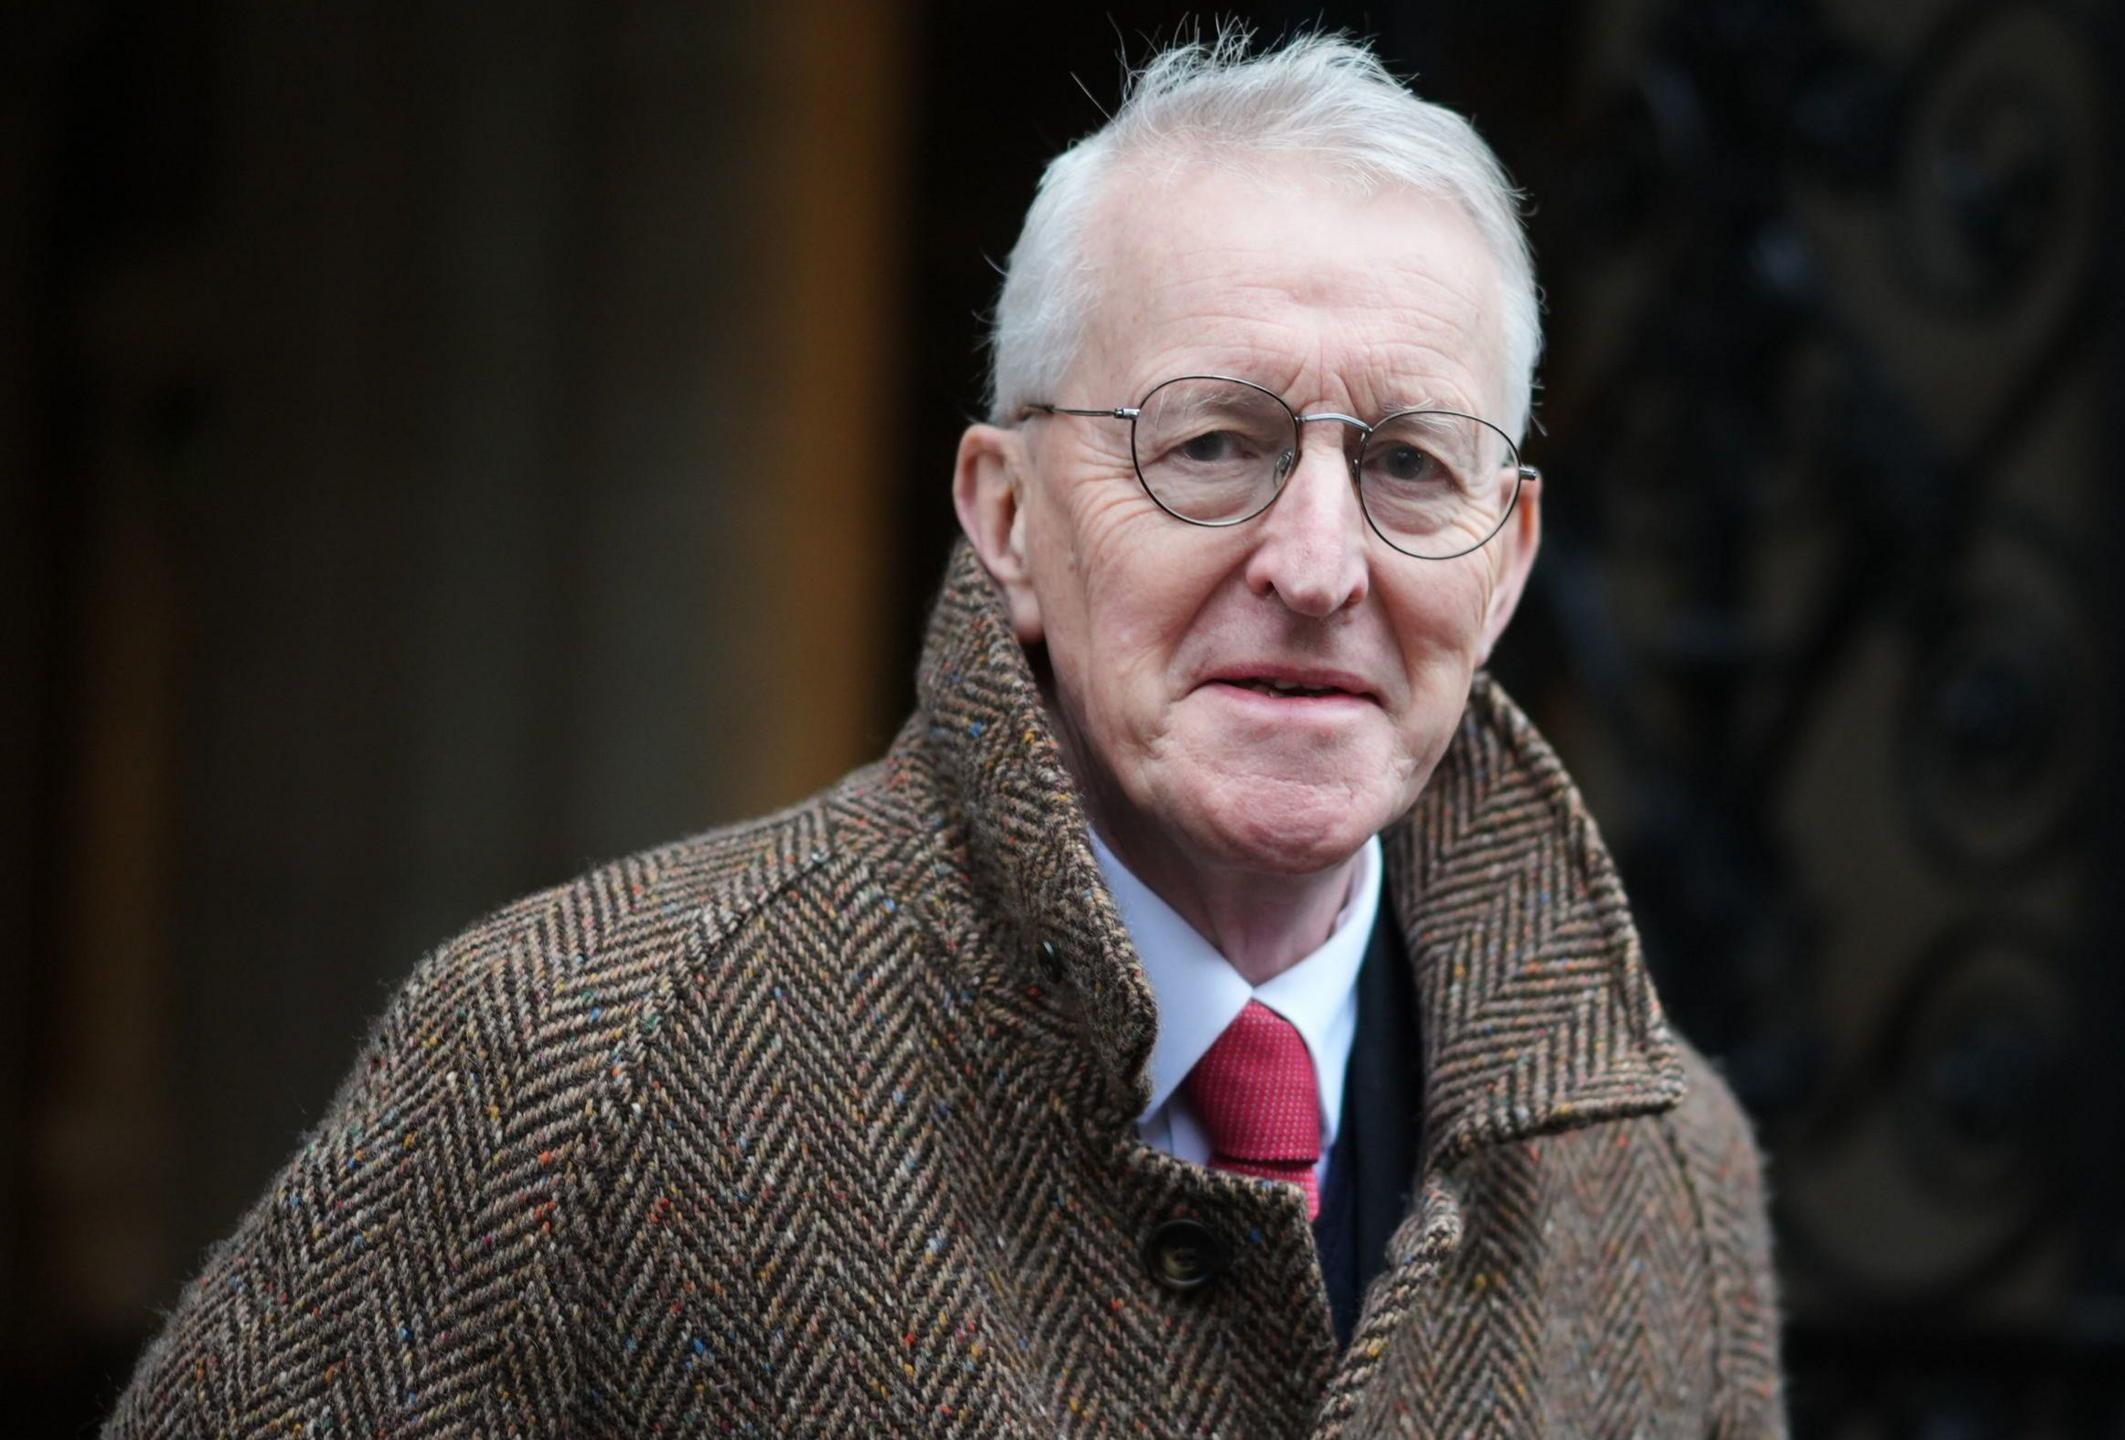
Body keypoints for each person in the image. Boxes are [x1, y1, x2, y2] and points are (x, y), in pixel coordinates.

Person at [108, 32, 1782, 1438]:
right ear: (1007, 514)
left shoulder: (1659, 1171)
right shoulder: (577, 1065)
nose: (1319, 564)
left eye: (1411, 464)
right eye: (1212, 444)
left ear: (1509, 558)